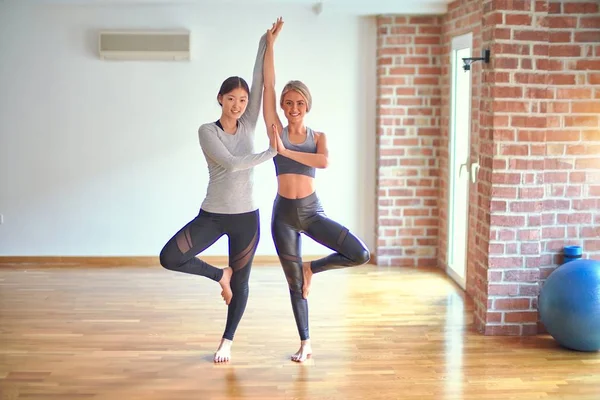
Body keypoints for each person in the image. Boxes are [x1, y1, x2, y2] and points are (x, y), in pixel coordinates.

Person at [159, 19, 284, 364]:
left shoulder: (248, 122)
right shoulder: (207, 132)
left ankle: (227, 341)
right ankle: (219, 275)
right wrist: (270, 153)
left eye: (243, 100)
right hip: (213, 215)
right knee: (170, 257)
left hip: (246, 217)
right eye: (232, 98)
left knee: (243, 283)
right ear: (220, 98)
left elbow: (260, 81)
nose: (239, 104)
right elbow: (231, 163)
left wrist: (266, 42)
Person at [262, 22, 371, 363]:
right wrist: (270, 44)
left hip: (311, 212)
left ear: (307, 105)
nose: (292, 108)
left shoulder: (317, 136)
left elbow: (323, 162)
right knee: (294, 285)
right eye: (288, 103)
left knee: (360, 253)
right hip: (283, 217)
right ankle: (305, 342)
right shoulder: (275, 128)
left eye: (299, 103)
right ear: (282, 107)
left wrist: (284, 151)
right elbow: (268, 85)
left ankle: (313, 268)